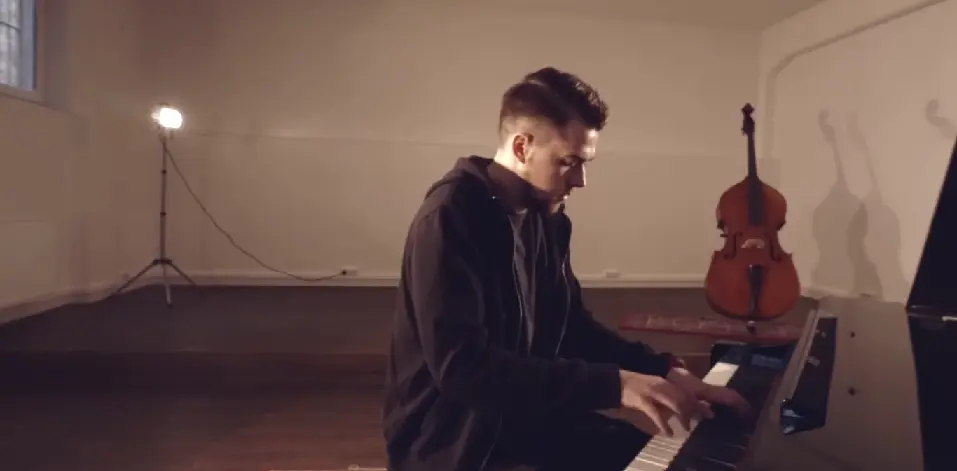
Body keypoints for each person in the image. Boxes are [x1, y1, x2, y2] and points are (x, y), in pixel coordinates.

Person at [381, 67, 750, 471]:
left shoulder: (547, 219)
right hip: (458, 444)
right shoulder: (449, 218)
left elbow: (571, 328)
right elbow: (464, 370)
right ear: (522, 147)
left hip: (525, 420)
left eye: (585, 163)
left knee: (675, 463)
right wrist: (618, 385)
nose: (581, 180)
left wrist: (664, 371)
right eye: (569, 162)